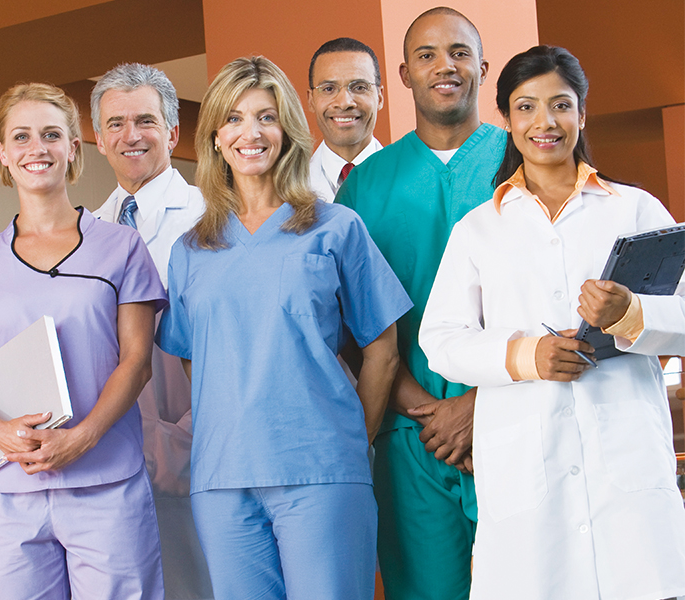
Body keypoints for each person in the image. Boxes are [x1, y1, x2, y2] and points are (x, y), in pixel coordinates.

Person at [419, 45, 685, 600]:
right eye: (526, 107)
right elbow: (439, 341)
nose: (546, 122)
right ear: (509, 122)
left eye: (561, 105)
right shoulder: (478, 229)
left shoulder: (635, 210)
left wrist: (631, 315)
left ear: (582, 114)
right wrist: (525, 357)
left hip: (626, 466)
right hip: (527, 475)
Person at [156, 56, 412, 600]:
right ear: (216, 137)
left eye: (266, 117)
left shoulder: (335, 227)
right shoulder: (190, 250)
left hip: (321, 470)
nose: (250, 133)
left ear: (287, 130)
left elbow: (383, 349)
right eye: (234, 118)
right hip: (222, 476)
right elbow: (192, 356)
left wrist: (350, 440)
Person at [0, 83, 167, 600]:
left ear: (73, 148)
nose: (36, 148)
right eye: (22, 136)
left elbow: (137, 361)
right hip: (9, 489)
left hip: (106, 480)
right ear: (4, 155)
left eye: (51, 135)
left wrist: (82, 437)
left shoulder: (120, 247)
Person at [335, 7, 505, 600]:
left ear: (484, 67)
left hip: (515, 420)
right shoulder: (365, 185)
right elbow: (354, 320)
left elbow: (558, 302)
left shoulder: (525, 165)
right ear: (403, 76)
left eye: (459, 52)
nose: (445, 67)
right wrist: (428, 411)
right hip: (410, 436)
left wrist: (479, 405)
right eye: (426, 55)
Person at [90, 63, 210, 599]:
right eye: (115, 124)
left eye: (145, 120)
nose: (129, 136)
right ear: (97, 138)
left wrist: (183, 435)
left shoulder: (212, 219)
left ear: (173, 131)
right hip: (115, 448)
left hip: (198, 441)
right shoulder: (88, 230)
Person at [307, 37, 384, 201]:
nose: (344, 103)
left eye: (359, 87)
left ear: (380, 97)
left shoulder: (417, 180)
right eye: (328, 89)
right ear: (311, 100)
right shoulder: (287, 192)